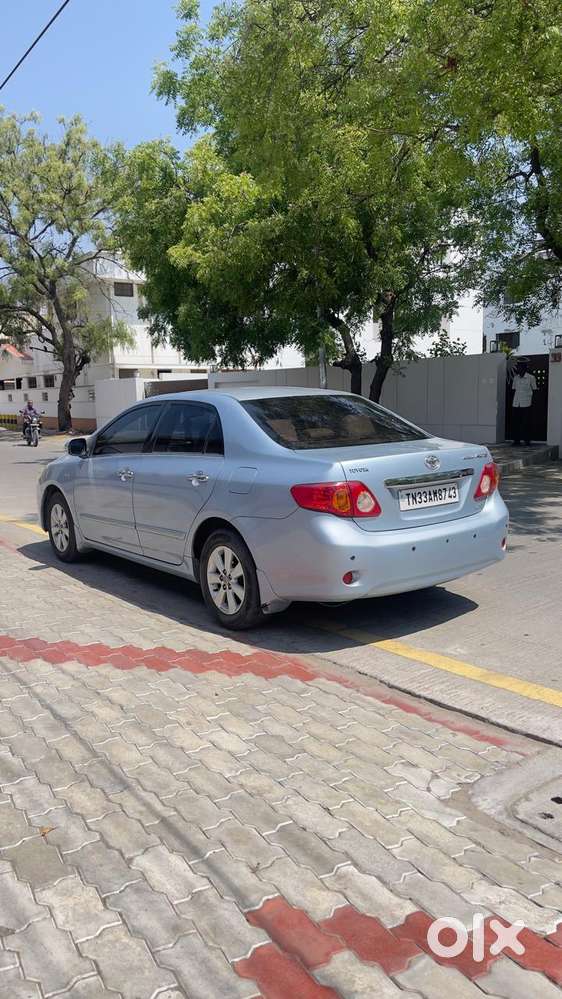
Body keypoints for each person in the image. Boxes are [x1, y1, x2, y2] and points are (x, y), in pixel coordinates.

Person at [511, 359, 537, 446]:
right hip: (516, 403)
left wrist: (533, 403)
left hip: (526, 403)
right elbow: (514, 390)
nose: (518, 369)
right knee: (516, 423)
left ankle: (527, 440)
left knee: (526, 423)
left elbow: (535, 390)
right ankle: (516, 441)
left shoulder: (531, 378)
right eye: (518, 367)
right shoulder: (515, 378)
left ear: (524, 368)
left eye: (520, 367)